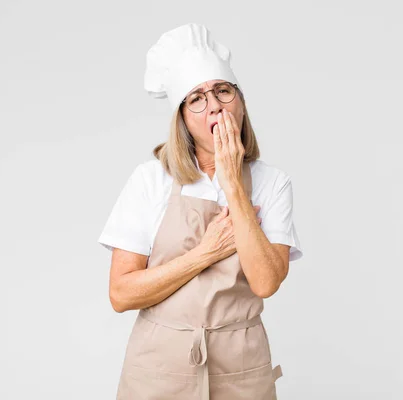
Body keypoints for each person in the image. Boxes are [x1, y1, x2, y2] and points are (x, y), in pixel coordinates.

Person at [97, 22, 303, 400]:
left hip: (242, 368)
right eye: (196, 98)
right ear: (183, 120)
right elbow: (121, 294)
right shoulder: (151, 180)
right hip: (158, 370)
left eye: (223, 91)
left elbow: (266, 283)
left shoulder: (273, 184)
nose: (214, 105)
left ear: (239, 102)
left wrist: (233, 184)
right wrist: (205, 253)